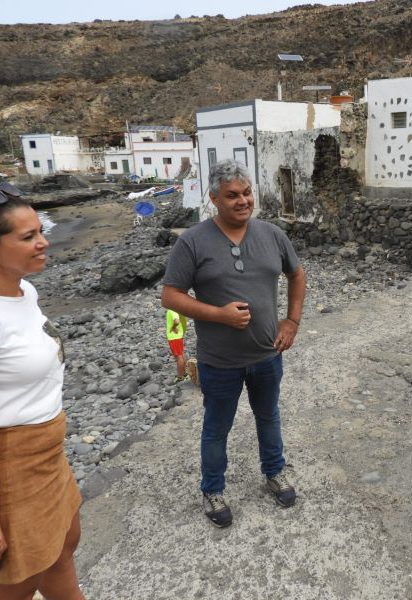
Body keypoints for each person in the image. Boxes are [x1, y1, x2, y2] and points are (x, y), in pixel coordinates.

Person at [0, 183, 85, 599]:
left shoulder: (25, 291)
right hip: (6, 467)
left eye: (41, 229)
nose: (44, 242)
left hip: (48, 451)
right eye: (28, 237)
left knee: (63, 548)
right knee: (18, 582)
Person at [161, 159, 306, 528]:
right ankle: (212, 490)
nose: (243, 201)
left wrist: (291, 321)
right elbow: (171, 296)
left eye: (247, 193)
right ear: (213, 199)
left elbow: (297, 274)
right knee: (216, 426)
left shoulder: (273, 235)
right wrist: (218, 314)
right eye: (232, 196)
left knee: (269, 416)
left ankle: (274, 472)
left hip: (266, 354)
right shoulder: (193, 241)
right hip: (219, 360)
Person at [166, 308, 188, 383]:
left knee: (179, 357)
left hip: (174, 337)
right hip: (178, 336)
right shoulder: (177, 309)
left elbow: (177, 321)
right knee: (181, 354)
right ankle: (185, 374)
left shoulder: (172, 310)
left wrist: (173, 327)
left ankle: (180, 376)